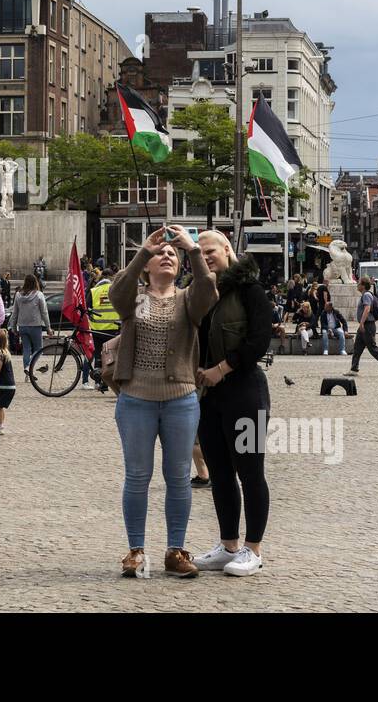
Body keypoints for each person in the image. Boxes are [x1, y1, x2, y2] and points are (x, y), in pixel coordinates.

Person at [109, 225, 213, 579]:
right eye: (160, 254)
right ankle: (136, 550)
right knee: (137, 476)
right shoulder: (136, 298)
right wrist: (142, 251)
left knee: (178, 478)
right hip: (136, 398)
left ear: (181, 265)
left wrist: (194, 250)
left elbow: (208, 291)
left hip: (181, 400)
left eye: (173, 254)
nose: (167, 256)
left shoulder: (188, 299)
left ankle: (175, 550)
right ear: (148, 266)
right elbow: (116, 294)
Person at [192, 229, 273, 577]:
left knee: (251, 473)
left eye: (211, 250)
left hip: (245, 393)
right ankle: (228, 546)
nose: (206, 256)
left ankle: (253, 550)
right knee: (221, 475)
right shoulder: (204, 294)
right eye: (199, 253)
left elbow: (259, 341)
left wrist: (221, 369)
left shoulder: (251, 290)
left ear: (227, 249)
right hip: (210, 398)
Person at [344, 276, 378, 378]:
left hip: (367, 325)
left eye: (358, 283)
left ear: (363, 285)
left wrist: (361, 323)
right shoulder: (365, 295)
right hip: (364, 325)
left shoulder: (366, 295)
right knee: (357, 347)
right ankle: (354, 369)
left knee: (372, 348)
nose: (357, 285)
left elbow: (367, 309)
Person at [9, 274, 51, 383]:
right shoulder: (39, 295)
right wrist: (48, 327)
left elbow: (15, 312)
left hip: (22, 326)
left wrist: (13, 327)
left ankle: (27, 373)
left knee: (26, 349)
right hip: (35, 326)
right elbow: (44, 312)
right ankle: (29, 368)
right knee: (39, 349)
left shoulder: (18, 295)